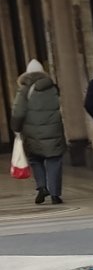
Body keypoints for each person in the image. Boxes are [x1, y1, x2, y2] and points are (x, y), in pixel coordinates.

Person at [12, 58, 66, 205]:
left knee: (35, 159)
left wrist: (16, 129)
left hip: (31, 132)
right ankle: (55, 194)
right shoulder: (53, 88)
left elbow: (18, 112)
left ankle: (42, 187)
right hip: (53, 129)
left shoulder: (24, 90)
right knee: (54, 160)